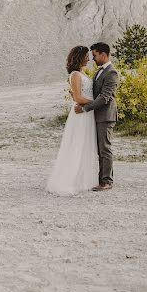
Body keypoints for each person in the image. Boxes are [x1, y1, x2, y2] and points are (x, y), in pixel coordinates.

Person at [46, 46, 99, 195]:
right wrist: (97, 103)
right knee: (77, 144)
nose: (88, 59)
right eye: (86, 56)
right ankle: (69, 180)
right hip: (80, 114)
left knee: (85, 145)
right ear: (79, 57)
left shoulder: (82, 73)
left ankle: (82, 179)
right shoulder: (75, 75)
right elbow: (77, 98)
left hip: (86, 112)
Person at [75, 42, 119, 191]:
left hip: (106, 116)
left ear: (103, 54)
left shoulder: (111, 72)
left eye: (94, 55)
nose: (92, 59)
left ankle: (106, 182)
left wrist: (85, 108)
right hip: (97, 115)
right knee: (100, 149)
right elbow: (94, 93)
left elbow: (105, 97)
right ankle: (102, 180)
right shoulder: (100, 71)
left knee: (105, 149)